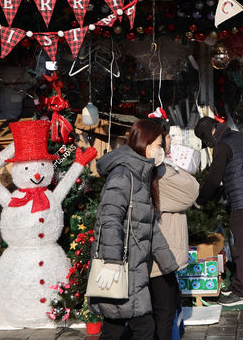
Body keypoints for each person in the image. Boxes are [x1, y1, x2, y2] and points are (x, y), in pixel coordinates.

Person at [89, 120, 179, 340]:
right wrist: (112, 261)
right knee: (144, 327)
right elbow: (109, 218)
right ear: (146, 144)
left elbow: (147, 225)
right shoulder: (123, 175)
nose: (162, 150)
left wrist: (168, 264)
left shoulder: (140, 175)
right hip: (121, 268)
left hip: (133, 267)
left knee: (114, 327)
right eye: (159, 144)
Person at [194, 117, 243, 306]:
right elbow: (240, 168)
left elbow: (213, 179)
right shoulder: (239, 137)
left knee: (240, 249)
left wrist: (199, 202)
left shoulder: (222, 147)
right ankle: (237, 284)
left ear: (208, 136)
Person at [148, 118, 199, 340]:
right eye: (166, 137)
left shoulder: (161, 169)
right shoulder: (160, 173)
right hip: (162, 252)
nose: (170, 141)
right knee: (164, 310)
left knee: (163, 307)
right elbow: (191, 191)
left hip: (161, 250)